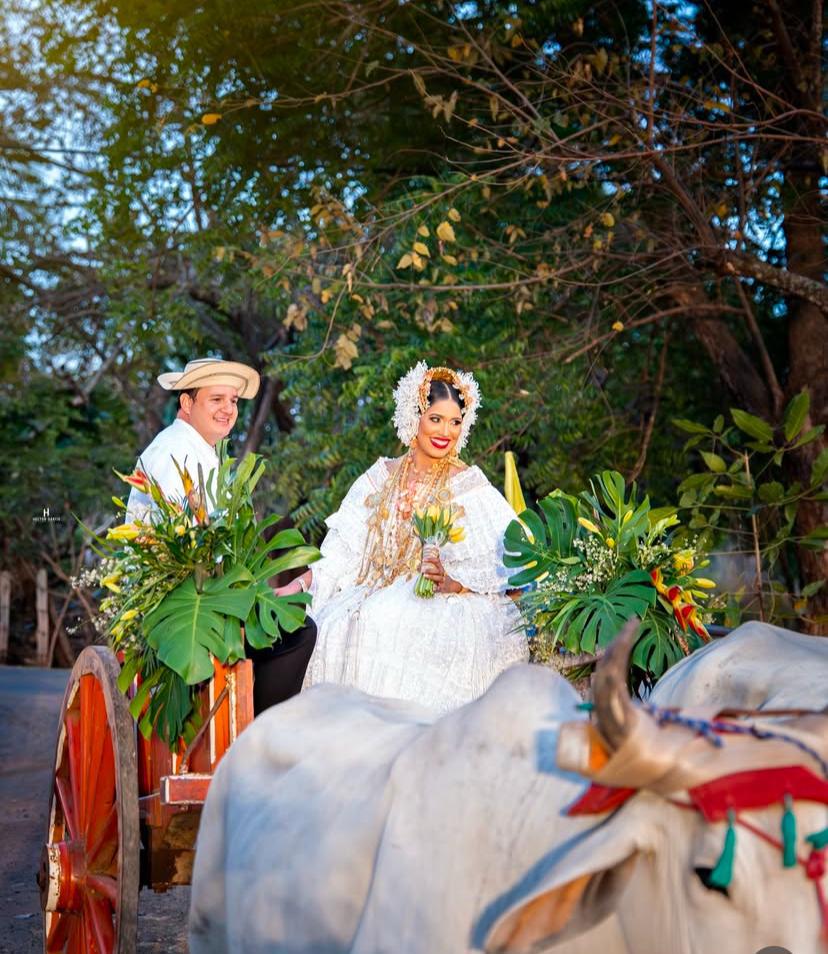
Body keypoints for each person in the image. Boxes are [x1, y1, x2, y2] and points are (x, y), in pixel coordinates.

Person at [276, 362, 529, 713]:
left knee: (387, 620)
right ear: (415, 417)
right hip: (368, 591)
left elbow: (515, 563)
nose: (446, 431)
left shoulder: (468, 483)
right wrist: (298, 585)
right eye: (436, 418)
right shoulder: (379, 476)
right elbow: (340, 552)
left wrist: (454, 582)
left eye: (455, 421)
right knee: (333, 625)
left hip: (433, 604)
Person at [125, 357, 317, 715]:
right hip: (177, 599)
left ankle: (253, 729)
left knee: (287, 619)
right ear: (187, 402)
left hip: (206, 594)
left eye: (233, 401)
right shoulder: (174, 451)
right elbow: (188, 542)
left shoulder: (200, 450)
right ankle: (258, 738)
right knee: (298, 632)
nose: (229, 409)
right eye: (217, 399)